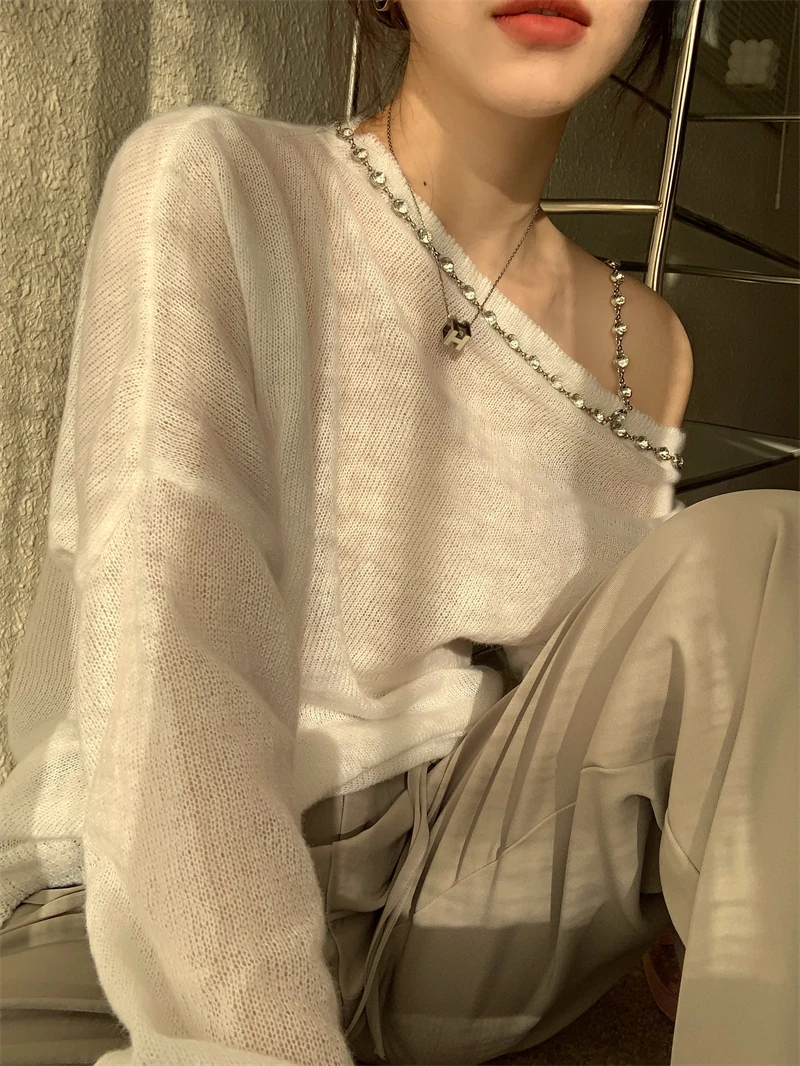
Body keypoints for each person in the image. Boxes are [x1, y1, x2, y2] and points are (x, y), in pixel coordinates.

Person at [1, 1, 797, 1065]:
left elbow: (605, 688)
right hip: (134, 902)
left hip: (457, 902)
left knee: (765, 549)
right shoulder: (215, 180)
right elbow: (167, 649)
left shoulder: (645, 342)